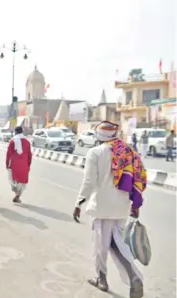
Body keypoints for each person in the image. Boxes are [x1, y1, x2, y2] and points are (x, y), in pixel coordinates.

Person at [73, 121, 145, 298]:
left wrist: (78, 204)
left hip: (102, 206)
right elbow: (137, 177)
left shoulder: (95, 152)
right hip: (122, 206)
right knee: (116, 242)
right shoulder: (128, 150)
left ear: (99, 135)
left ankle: (101, 279)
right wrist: (135, 205)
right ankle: (135, 276)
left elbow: (89, 182)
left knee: (100, 244)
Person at [5, 126, 32, 203]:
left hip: (14, 165)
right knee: (22, 182)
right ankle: (18, 195)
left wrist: (7, 164)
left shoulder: (12, 141)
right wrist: (28, 165)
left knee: (13, 181)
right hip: (24, 165)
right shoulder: (27, 142)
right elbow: (29, 155)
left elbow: (8, 154)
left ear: (15, 132)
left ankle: (16, 193)